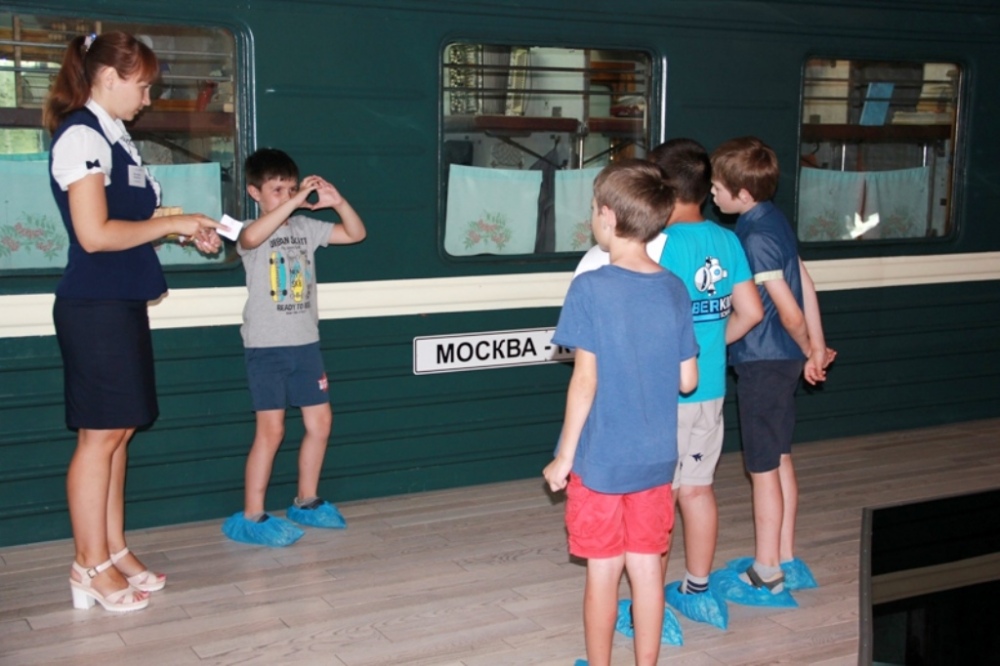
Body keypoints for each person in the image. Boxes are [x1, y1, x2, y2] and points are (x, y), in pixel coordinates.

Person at [45, 31, 222, 613]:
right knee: (99, 438)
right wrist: (172, 225)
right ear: (108, 79)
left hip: (119, 302)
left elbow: (129, 217)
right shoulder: (81, 136)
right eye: (142, 87)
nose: (147, 99)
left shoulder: (114, 136)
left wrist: (186, 225)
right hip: (93, 306)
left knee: (119, 432)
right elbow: (95, 234)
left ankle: (113, 548)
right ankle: (87, 565)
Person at [544, 159, 699, 666]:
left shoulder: (591, 287)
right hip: (656, 460)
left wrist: (564, 457)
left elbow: (584, 381)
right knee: (648, 570)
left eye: (593, 208)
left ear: (608, 216)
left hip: (602, 462)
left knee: (604, 571)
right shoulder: (674, 287)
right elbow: (688, 380)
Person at [707, 136, 835, 603]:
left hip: (764, 361)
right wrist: (816, 348)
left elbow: (790, 310)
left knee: (761, 466)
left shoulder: (754, 238)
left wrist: (808, 348)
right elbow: (807, 283)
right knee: (780, 457)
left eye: (717, 187)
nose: (712, 193)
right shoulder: (774, 219)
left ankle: (766, 572)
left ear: (742, 194)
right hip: (782, 361)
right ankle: (784, 555)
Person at [221, 148, 367, 547]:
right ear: (254, 192)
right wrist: (296, 200)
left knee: (320, 424)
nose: (286, 197)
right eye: (276, 190)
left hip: (306, 345)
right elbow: (250, 238)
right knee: (271, 431)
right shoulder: (249, 229)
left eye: (291, 189)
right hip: (267, 348)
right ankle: (252, 514)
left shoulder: (305, 227)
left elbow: (356, 233)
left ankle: (306, 500)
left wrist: (338, 203)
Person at [648, 139, 764, 629]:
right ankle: (697, 589)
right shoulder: (727, 240)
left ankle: (650, 605)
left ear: (660, 188)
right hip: (711, 389)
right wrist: (710, 343)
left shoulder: (660, 246)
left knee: (658, 496)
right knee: (697, 490)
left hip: (666, 395)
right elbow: (751, 312)